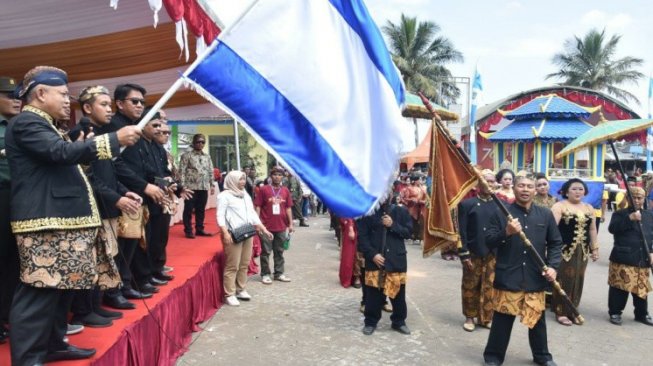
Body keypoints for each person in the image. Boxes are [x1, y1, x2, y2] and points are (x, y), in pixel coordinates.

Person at [6, 66, 140, 365]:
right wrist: (113, 139)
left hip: (62, 221)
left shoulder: (48, 125)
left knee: (61, 288)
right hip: (45, 223)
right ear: (40, 93)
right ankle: (27, 358)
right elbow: (60, 154)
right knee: (38, 290)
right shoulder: (27, 122)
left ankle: (53, 345)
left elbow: (66, 158)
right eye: (63, 94)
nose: (69, 101)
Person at [483, 175, 562, 366]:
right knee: (502, 320)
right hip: (509, 274)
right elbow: (489, 241)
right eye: (521, 186)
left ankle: (542, 356)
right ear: (514, 188)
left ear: (535, 190)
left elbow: (555, 243)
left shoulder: (545, 214)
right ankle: (493, 357)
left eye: (529, 186)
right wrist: (506, 232)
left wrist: (553, 266)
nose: (525, 189)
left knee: (537, 321)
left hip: (536, 276)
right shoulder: (501, 212)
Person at [357, 195, 413, 336]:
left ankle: (399, 321)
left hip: (396, 259)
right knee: (373, 295)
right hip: (375, 260)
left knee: (398, 294)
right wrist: (372, 255)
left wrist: (393, 225)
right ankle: (370, 322)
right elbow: (362, 238)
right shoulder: (367, 213)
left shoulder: (401, 211)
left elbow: (408, 233)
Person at [218, 171, 273, 306]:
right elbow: (220, 215)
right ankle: (229, 294)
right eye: (240, 179)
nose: (242, 182)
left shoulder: (245, 195)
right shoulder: (224, 196)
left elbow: (252, 213)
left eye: (244, 179)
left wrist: (263, 228)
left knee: (244, 263)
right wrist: (225, 233)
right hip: (233, 233)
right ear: (232, 180)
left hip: (247, 232)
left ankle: (241, 289)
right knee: (232, 265)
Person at [550, 178, 599, 326]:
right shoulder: (559, 206)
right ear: (566, 191)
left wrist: (594, 248)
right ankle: (561, 311)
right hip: (564, 250)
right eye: (574, 189)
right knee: (564, 279)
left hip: (582, 251)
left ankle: (573, 310)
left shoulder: (589, 208)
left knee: (579, 279)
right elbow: (552, 229)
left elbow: (592, 229)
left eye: (581, 189)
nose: (578, 192)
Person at [457, 170, 499, 332]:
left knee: (490, 285)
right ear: (477, 184)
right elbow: (461, 231)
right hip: (473, 252)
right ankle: (469, 316)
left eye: (492, 181)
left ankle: (486, 317)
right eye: (485, 180)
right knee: (470, 285)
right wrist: (463, 253)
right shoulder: (467, 204)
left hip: (493, 253)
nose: (489, 184)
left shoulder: (501, 205)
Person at [607, 186, 653, 326]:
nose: (637, 201)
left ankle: (641, 314)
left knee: (641, 288)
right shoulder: (620, 214)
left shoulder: (649, 215)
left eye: (640, 198)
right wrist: (630, 218)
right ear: (628, 198)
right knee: (619, 287)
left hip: (642, 257)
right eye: (634, 198)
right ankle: (615, 312)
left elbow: (650, 236)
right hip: (623, 256)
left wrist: (651, 252)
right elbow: (612, 229)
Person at [0, 76, 21, 343]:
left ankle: (7, 315)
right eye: (8, 95)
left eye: (18, 95)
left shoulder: (19, 126)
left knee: (13, 262)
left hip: (19, 198)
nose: (16, 99)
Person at [254, 166, 294, 284]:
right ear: (271, 176)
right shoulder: (264, 189)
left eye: (280, 175)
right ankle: (265, 274)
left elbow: (288, 208)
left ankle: (279, 273)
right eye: (275, 174)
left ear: (283, 177)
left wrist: (291, 224)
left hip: (281, 226)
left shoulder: (285, 191)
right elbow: (258, 206)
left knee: (279, 251)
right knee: (266, 251)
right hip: (266, 226)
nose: (277, 177)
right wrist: (258, 223)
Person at [180, 133, 214, 238]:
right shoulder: (186, 155)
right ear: (194, 142)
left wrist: (212, 184)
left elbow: (210, 170)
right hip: (190, 187)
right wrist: (182, 186)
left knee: (201, 209)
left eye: (203, 142)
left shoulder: (207, 156)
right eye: (198, 142)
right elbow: (181, 171)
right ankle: (188, 230)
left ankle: (199, 229)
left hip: (203, 187)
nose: (200, 144)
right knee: (189, 209)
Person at [400, 174, 427, 244]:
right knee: (413, 223)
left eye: (421, 179)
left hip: (420, 207)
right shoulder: (409, 188)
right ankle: (413, 236)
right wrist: (412, 200)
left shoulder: (422, 188)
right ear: (415, 181)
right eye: (419, 179)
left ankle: (419, 237)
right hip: (412, 208)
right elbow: (404, 198)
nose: (420, 181)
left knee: (421, 223)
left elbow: (425, 197)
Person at [338, 218, 362, 288]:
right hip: (351, 221)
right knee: (351, 252)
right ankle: (355, 276)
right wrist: (350, 227)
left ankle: (358, 275)